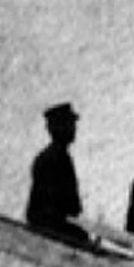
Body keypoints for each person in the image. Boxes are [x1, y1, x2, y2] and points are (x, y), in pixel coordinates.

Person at [25, 101, 91, 245]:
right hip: (56, 233)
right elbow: (52, 209)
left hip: (58, 229)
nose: (74, 129)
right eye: (69, 124)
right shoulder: (53, 160)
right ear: (58, 128)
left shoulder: (57, 157)